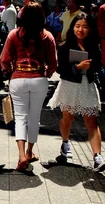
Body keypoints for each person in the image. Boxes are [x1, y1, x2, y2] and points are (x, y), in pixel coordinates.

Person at [0, 2, 57, 171]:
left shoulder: (14, 35)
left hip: (18, 79)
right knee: (34, 118)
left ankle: (21, 155)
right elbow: (53, 63)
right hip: (39, 79)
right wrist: (47, 73)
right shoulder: (47, 36)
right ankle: (30, 152)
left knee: (20, 118)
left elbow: (4, 60)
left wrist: (9, 71)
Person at [47, 13, 105, 172]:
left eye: (85, 27)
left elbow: (98, 66)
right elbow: (61, 70)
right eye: (77, 26)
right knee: (67, 117)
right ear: (72, 28)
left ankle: (97, 156)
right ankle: (65, 143)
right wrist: (77, 68)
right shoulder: (64, 47)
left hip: (87, 85)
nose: (81, 30)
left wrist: (90, 67)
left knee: (91, 121)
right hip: (69, 85)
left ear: (90, 29)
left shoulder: (94, 46)